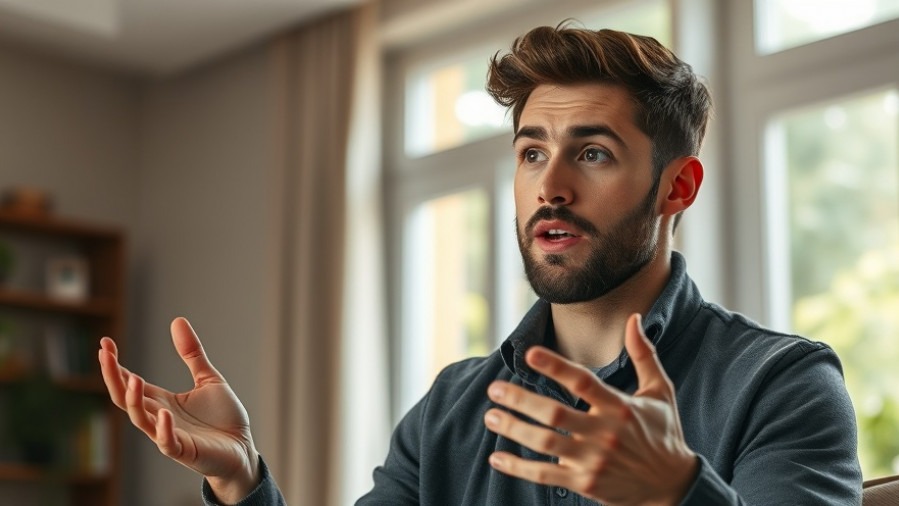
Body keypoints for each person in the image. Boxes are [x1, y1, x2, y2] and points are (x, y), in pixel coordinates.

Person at [98, 23, 862, 505]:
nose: (550, 188)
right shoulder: (453, 409)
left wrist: (675, 495)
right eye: (532, 153)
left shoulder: (782, 385)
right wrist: (241, 482)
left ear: (677, 186)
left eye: (591, 153)